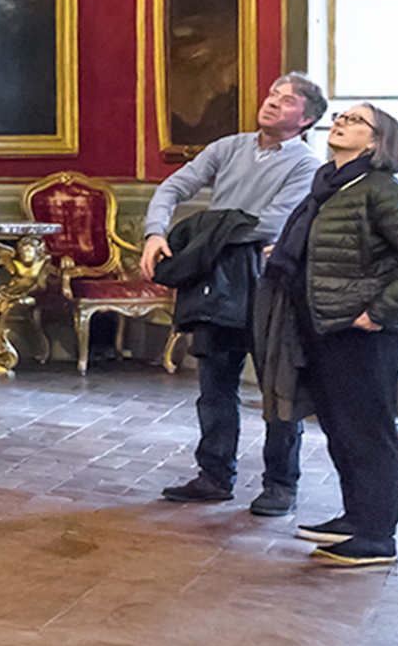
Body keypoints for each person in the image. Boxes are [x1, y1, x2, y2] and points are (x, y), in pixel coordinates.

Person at [255, 103, 398, 567]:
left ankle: (377, 535)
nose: (341, 121)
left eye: (357, 120)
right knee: (341, 428)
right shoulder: (330, 186)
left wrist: (379, 312)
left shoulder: (381, 190)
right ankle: (356, 519)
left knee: (368, 431)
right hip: (323, 324)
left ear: (378, 143)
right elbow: (342, 249)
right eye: (340, 115)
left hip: (363, 331)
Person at [139, 73, 328, 512]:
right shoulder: (228, 147)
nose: (272, 103)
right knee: (215, 384)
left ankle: (280, 483)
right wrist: (155, 232)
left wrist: (202, 228)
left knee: (277, 389)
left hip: (269, 283)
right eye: (272, 95)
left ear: (307, 119)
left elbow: (269, 223)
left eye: (287, 101)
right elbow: (173, 186)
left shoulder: (305, 165)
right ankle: (214, 475)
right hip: (218, 279)